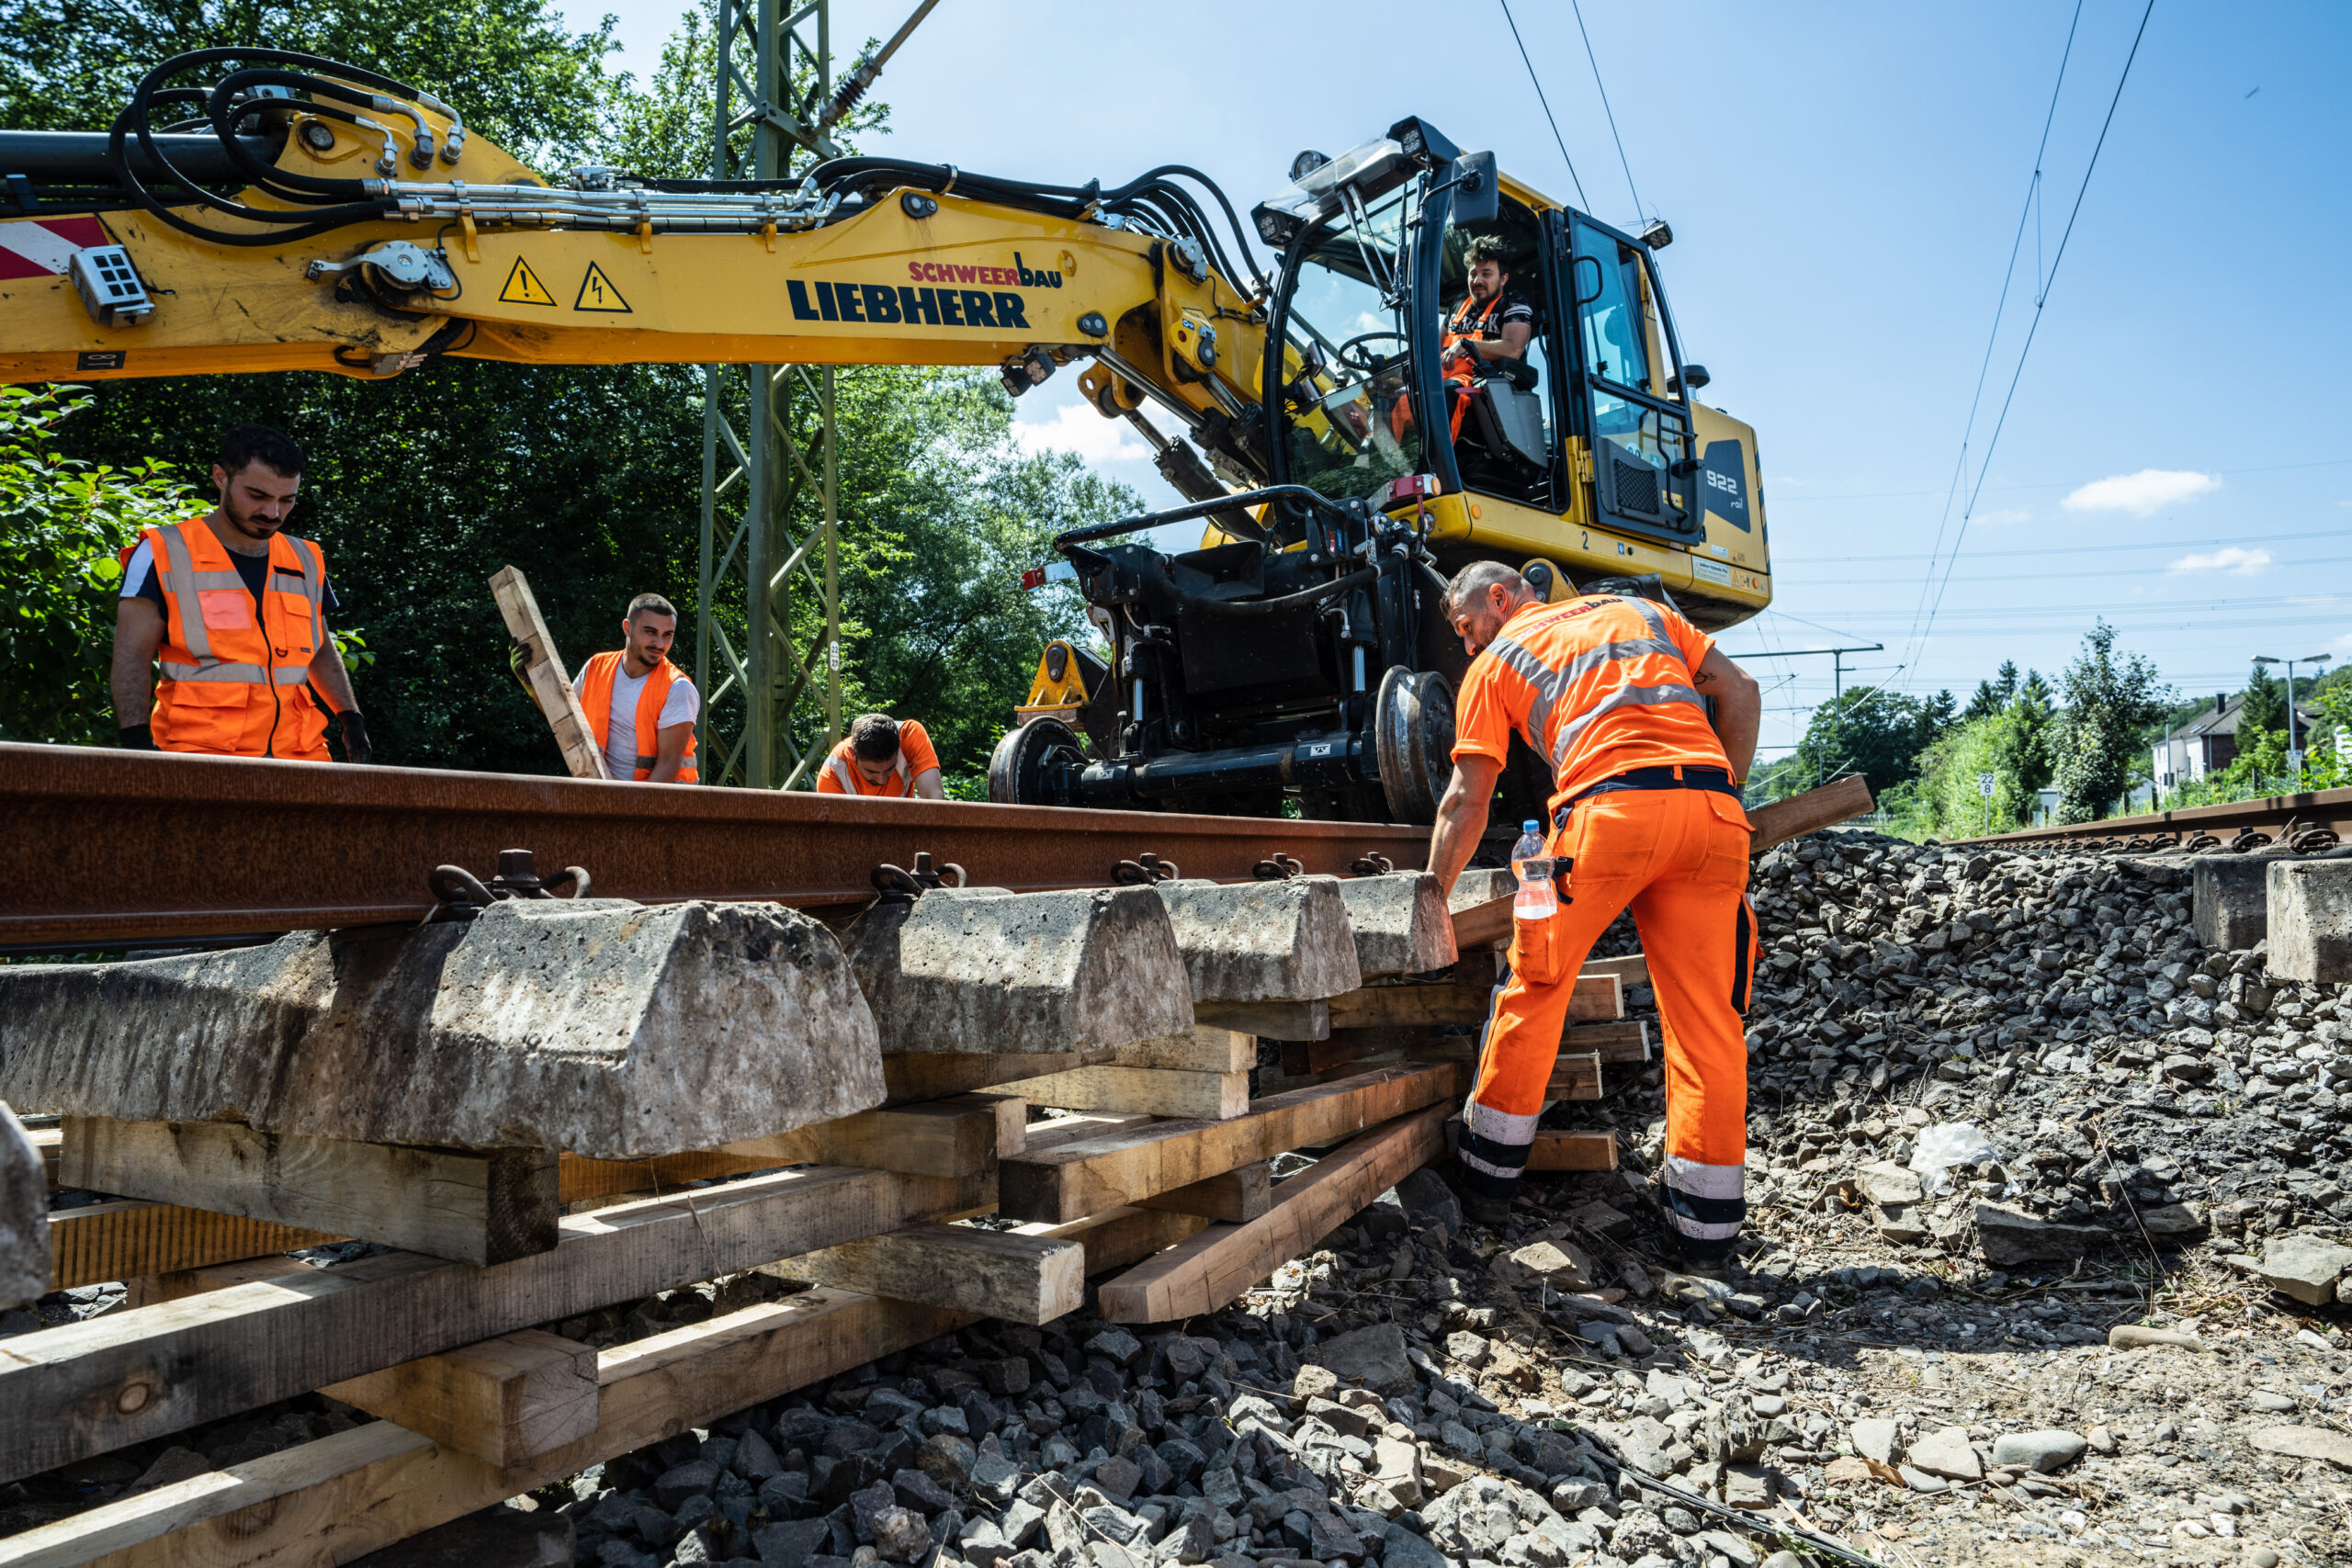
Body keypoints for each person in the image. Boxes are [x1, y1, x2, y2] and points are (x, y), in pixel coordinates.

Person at [1426, 561, 1763, 1257]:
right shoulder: (1642, 613)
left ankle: (1486, 1185)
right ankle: (1705, 1230)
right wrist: (1723, 796)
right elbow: (1741, 689)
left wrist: (1431, 896)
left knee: (1538, 985)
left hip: (1606, 819)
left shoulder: (1495, 664)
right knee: (1709, 1021)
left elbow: (1467, 798)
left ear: (1500, 597)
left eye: (1466, 627)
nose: (1466, 645)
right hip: (1711, 820)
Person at [112, 423, 368, 762]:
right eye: (258, 496)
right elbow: (132, 656)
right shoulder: (163, 552)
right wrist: (136, 745)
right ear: (221, 477)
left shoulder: (305, 558)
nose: (272, 513)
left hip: (300, 757)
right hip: (199, 756)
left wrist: (350, 717)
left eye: (286, 500)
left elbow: (319, 648)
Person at [572, 594, 699, 783]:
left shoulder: (678, 688)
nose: (659, 644)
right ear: (627, 628)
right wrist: (529, 681)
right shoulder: (596, 666)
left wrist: (633, 810)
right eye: (650, 632)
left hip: (664, 805)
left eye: (667, 635)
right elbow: (564, 716)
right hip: (601, 795)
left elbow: (668, 764)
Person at [817, 712, 944, 798]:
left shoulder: (909, 735)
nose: (881, 779)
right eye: (872, 772)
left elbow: (934, 799)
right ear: (852, 754)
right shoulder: (832, 773)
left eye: (889, 769)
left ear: (899, 746)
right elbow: (839, 833)